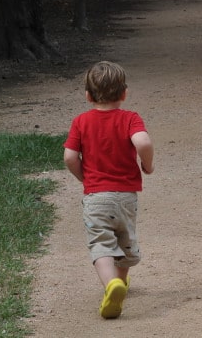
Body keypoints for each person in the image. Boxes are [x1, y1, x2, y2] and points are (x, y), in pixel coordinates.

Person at [63, 61, 155, 319]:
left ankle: (110, 285)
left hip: (95, 197)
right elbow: (143, 141)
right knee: (124, 241)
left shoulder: (81, 122)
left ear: (88, 96)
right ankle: (121, 282)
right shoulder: (130, 118)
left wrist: (85, 178)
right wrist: (147, 164)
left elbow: (70, 157)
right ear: (124, 93)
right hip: (125, 196)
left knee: (101, 244)